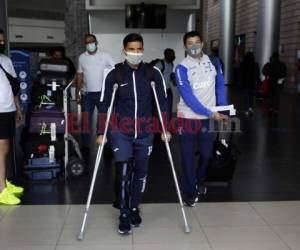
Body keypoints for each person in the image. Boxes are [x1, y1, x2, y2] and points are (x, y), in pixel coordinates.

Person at [96, 33, 170, 235]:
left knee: (141, 174)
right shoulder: (115, 74)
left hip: (145, 132)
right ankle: (124, 213)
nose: (135, 53)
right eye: (131, 49)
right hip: (121, 131)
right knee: (123, 171)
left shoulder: (152, 73)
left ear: (143, 50)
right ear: (124, 50)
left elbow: (162, 102)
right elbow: (104, 105)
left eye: (139, 49)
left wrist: (165, 128)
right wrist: (101, 132)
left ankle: (135, 206)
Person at [175, 31, 228, 207]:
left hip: (208, 118)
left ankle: (199, 180)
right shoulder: (181, 68)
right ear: (185, 46)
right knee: (188, 157)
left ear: (203, 43)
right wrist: (211, 113)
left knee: (206, 155)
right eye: (190, 43)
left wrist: (222, 108)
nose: (194, 46)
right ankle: (190, 191)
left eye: (197, 42)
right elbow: (188, 98)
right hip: (187, 118)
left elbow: (220, 84)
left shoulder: (214, 62)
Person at [75, 34, 115, 158]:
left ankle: (106, 144)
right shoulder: (82, 58)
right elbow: (80, 75)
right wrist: (77, 92)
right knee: (85, 120)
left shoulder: (105, 56)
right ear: (85, 44)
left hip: (103, 93)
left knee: (103, 119)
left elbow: (115, 71)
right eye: (87, 42)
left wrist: (112, 88)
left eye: (92, 42)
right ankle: (86, 145)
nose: (90, 44)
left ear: (96, 43)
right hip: (87, 94)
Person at [0, 29, 24, 205]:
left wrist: (17, 108)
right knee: (1, 149)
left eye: (2, 40)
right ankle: (1, 190)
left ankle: (4, 183)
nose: (1, 43)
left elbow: (13, 86)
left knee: (7, 148)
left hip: (8, 109)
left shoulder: (5, 60)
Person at [155, 48, 176, 120]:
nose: (173, 56)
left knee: (169, 107)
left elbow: (169, 74)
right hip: (160, 90)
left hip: (168, 89)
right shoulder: (160, 64)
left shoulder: (171, 64)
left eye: (173, 54)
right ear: (166, 55)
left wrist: (173, 79)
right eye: (171, 54)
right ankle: (160, 125)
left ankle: (167, 125)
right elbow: (154, 75)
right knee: (161, 108)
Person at [239, 51, 260, 116]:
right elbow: (257, 74)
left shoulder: (243, 64)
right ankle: (250, 108)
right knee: (251, 96)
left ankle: (246, 110)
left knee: (245, 97)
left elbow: (240, 74)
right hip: (252, 83)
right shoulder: (255, 64)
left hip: (245, 83)